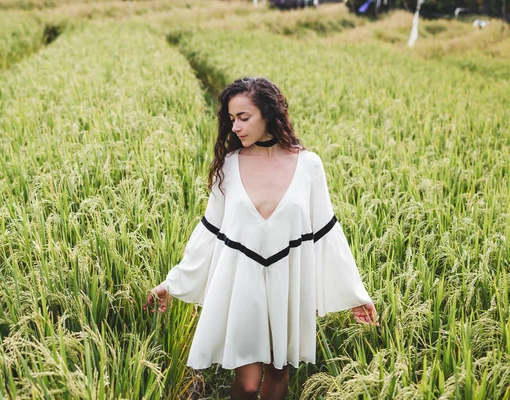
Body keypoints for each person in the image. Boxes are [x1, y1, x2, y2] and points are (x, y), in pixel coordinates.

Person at [145, 77, 379, 399]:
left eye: (244, 118)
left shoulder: (309, 165)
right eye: (231, 120)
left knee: (279, 370)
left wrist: (356, 294)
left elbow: (327, 233)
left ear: (268, 113)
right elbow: (210, 233)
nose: (235, 128)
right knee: (249, 381)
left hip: (288, 281)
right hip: (243, 280)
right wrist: (171, 285)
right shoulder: (229, 164)